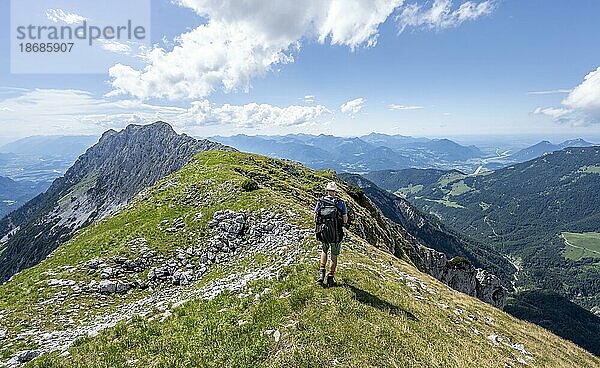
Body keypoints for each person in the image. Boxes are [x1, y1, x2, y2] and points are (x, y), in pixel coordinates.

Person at [314, 181, 348, 287]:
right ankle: (330, 277)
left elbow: (315, 217)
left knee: (324, 251)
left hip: (324, 232)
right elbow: (345, 220)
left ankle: (321, 274)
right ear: (335, 191)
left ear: (327, 190)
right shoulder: (340, 203)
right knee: (334, 256)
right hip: (336, 234)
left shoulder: (320, 202)